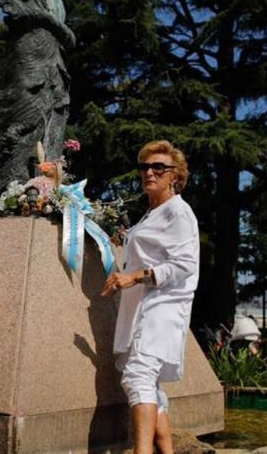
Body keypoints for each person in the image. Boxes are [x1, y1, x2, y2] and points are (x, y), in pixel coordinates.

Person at [101, 140, 199, 454]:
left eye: (159, 167)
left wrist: (135, 276)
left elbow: (184, 264)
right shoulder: (152, 213)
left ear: (176, 177)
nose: (149, 173)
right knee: (149, 383)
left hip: (162, 306)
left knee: (138, 377)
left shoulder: (178, 212)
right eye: (144, 167)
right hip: (143, 307)